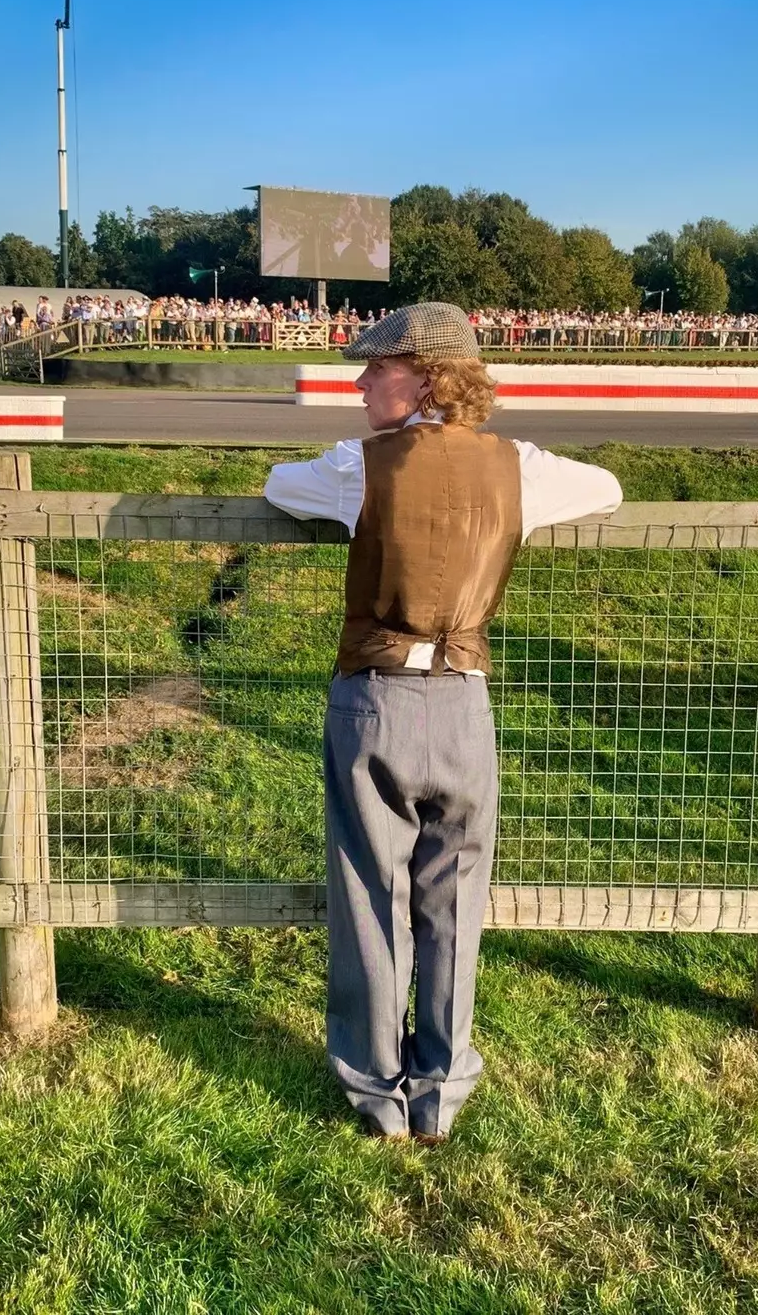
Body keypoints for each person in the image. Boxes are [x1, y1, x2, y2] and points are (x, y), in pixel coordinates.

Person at [262, 302, 623, 1144]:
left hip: (376, 698)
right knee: (455, 896)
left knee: (369, 892)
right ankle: (441, 1086)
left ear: (423, 376)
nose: (358, 383)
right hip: (464, 700)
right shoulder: (519, 466)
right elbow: (605, 489)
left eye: (375, 370)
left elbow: (281, 487)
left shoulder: (359, 467)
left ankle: (374, 1089)